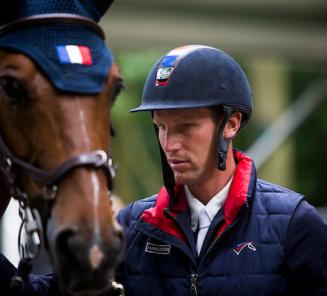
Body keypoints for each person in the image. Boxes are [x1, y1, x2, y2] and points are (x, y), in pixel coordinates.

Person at [117, 45, 327, 295]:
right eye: (161, 127)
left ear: (231, 123)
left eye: (185, 127)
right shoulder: (131, 225)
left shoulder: (295, 223)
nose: (169, 144)